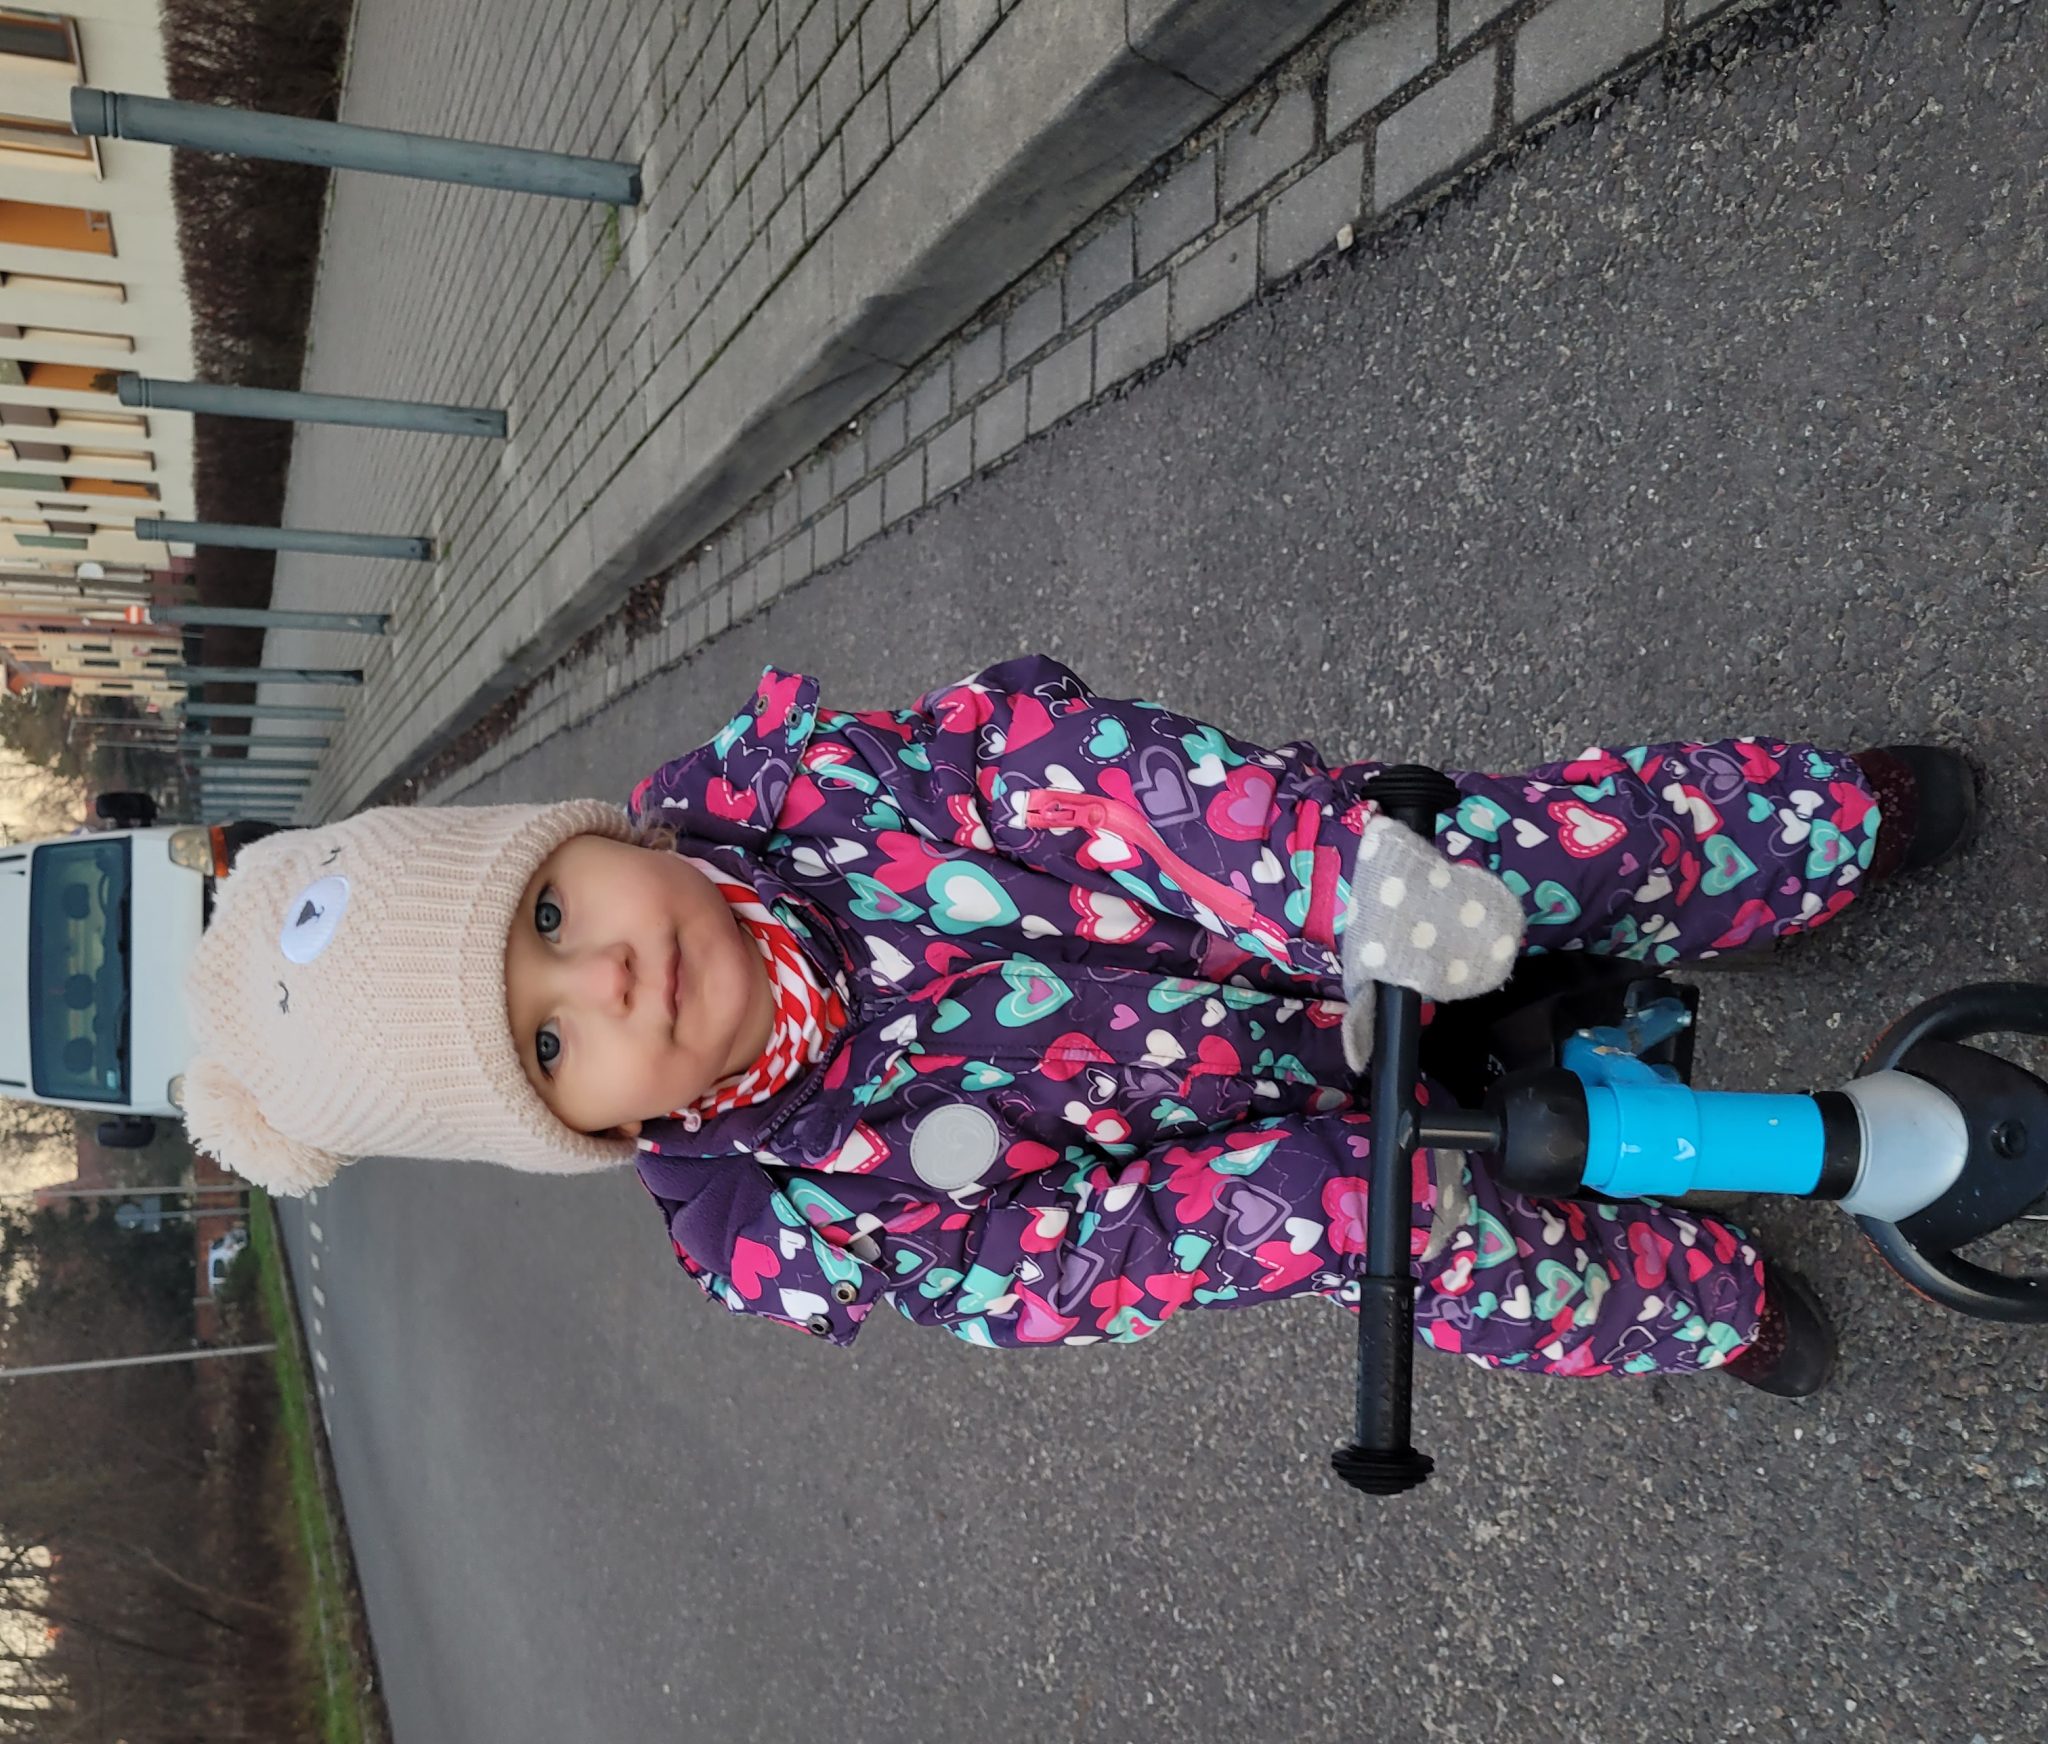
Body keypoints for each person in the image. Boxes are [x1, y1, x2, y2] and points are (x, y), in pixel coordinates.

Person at [181, 655, 1977, 1397]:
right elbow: (1062, 1264)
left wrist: (1327, 881)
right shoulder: (814, 1211)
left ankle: (1808, 838)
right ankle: (1688, 1302)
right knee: (1443, 1247)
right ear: (587, 1131)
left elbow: (1050, 772)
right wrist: (1303, 1206)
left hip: (1285, 905)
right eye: (550, 1045)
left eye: (548, 920)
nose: (604, 982)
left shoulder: (814, 800)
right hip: (1259, 1135)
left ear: (580, 838)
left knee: (1529, 854)